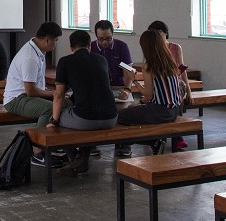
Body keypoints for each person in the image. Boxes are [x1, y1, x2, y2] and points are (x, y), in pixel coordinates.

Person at [48, 30, 118, 176]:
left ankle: (76, 159)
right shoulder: (101, 60)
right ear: (89, 45)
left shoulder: (65, 61)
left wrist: (53, 121)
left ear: (71, 47)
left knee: (59, 117)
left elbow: (59, 95)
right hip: (111, 118)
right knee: (83, 112)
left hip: (86, 120)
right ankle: (82, 156)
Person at [3, 21, 64, 167]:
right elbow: (30, 91)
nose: (55, 44)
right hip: (16, 99)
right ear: (47, 39)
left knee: (65, 103)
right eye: (55, 40)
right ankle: (37, 152)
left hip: (27, 96)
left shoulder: (37, 49)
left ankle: (55, 142)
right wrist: (53, 94)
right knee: (49, 108)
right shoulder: (30, 57)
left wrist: (55, 94)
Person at [116, 28, 183, 156]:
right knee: (134, 111)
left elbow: (148, 95)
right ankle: (153, 140)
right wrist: (141, 105)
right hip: (173, 111)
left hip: (158, 111)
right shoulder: (170, 63)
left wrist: (133, 80)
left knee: (120, 116)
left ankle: (151, 142)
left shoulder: (148, 66)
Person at [91, 19, 135, 157]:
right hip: (97, 89)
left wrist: (127, 90)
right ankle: (90, 145)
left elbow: (128, 71)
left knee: (125, 113)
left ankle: (123, 144)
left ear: (113, 35)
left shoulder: (121, 47)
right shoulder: (90, 48)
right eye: (101, 39)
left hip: (118, 86)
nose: (105, 42)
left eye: (108, 39)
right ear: (96, 36)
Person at [148, 20, 192, 151]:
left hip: (176, 83)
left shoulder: (175, 48)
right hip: (160, 84)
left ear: (165, 33)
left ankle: (177, 134)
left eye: (159, 33)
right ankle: (157, 135)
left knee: (176, 87)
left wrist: (189, 90)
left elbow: (182, 70)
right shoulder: (152, 50)